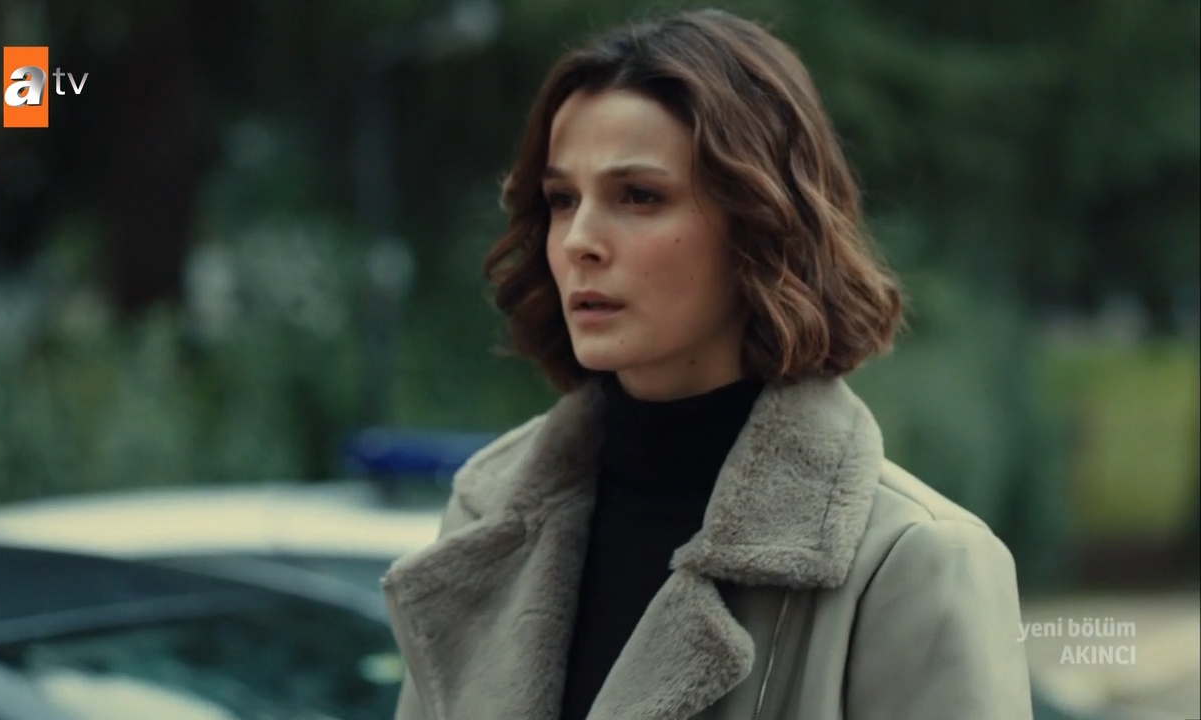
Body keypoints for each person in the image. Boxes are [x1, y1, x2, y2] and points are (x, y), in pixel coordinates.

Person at [381, 8, 1033, 719]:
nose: (579, 241)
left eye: (640, 196)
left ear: (761, 222)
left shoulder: (913, 560)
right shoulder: (484, 516)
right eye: (563, 200)